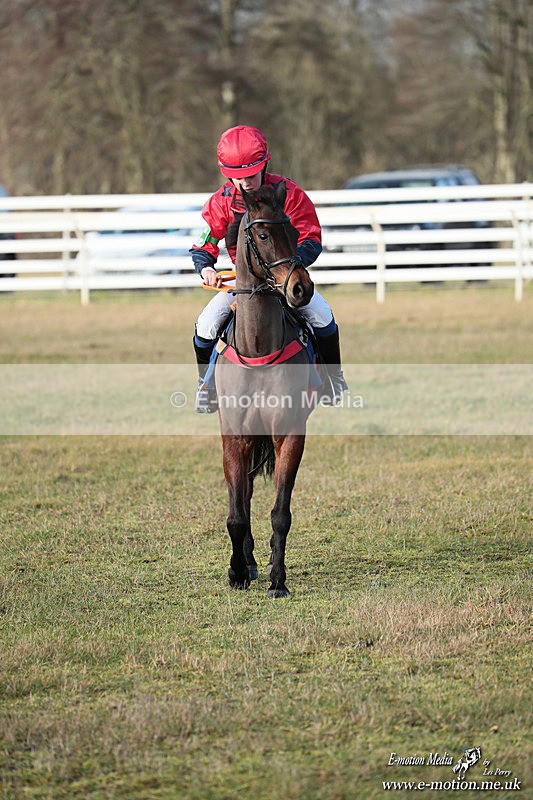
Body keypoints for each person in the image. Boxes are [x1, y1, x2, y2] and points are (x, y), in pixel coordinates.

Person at [191, 124, 347, 413]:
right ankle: (206, 386)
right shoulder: (221, 202)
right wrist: (206, 269)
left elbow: (311, 236)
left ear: (264, 166)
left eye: (250, 175)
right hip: (241, 284)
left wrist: (289, 266)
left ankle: (334, 379)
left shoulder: (289, 194)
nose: (245, 183)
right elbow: (204, 244)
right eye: (237, 178)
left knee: (323, 316)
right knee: (207, 323)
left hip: (284, 280)